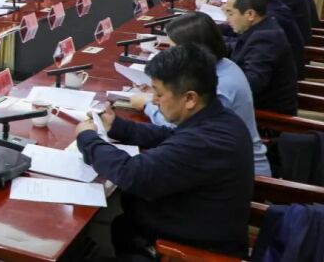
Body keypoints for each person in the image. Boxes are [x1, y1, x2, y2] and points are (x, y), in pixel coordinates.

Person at [76, 44, 253, 259]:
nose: (153, 100)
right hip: (189, 222)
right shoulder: (218, 118)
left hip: (187, 251)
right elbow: (170, 136)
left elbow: (132, 173)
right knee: (120, 225)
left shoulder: (205, 141)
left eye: (159, 93)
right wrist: (118, 127)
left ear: (190, 98)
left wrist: (88, 139)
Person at [128, 12, 271, 176]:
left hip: (246, 175)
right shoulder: (222, 65)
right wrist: (163, 92)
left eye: (174, 48)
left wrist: (147, 105)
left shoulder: (220, 85)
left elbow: (176, 128)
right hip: (221, 162)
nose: (170, 54)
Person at [224, 0, 298, 115]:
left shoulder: (266, 38)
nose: (227, 19)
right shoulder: (263, 27)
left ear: (250, 14)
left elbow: (252, 83)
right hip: (257, 105)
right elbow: (239, 46)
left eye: (230, 13)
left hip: (269, 117)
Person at [231, 0, 304, 75]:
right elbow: (242, 42)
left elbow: (252, 79)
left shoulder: (270, 27)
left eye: (230, 13)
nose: (227, 18)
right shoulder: (267, 12)